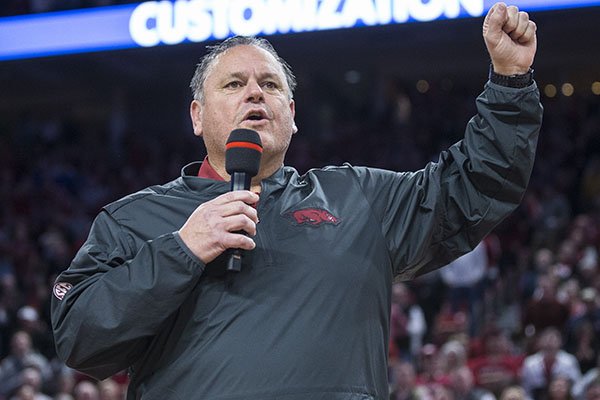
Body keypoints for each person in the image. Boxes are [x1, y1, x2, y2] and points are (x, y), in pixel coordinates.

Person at [50, 3, 542, 399]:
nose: (254, 94)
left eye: (269, 85)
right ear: (198, 116)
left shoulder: (357, 199)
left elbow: (474, 187)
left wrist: (510, 83)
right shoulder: (133, 219)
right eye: (234, 84)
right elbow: (80, 340)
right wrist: (181, 249)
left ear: (292, 113)